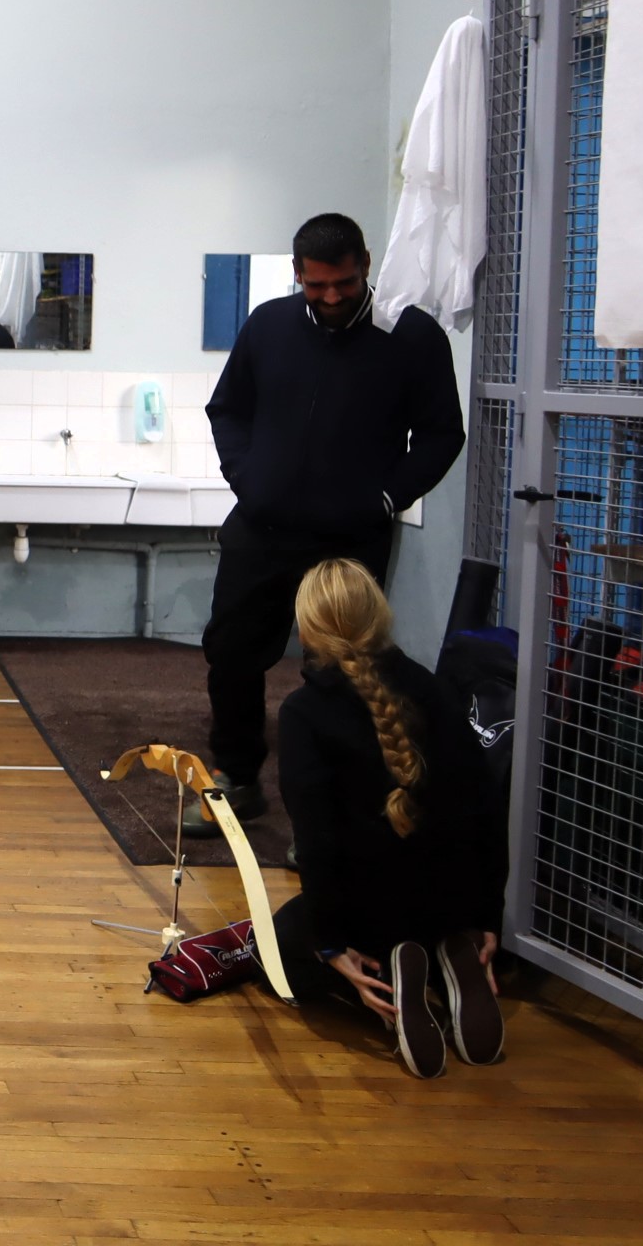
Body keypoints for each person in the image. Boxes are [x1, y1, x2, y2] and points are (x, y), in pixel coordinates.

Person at [185, 212, 464, 838]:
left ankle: (332, 816)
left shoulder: (411, 335)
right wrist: (247, 477)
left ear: (365, 264)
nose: (332, 297)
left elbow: (442, 434)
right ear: (297, 275)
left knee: (341, 672)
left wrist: (387, 498)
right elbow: (227, 409)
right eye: (317, 286)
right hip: (261, 529)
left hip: (349, 539)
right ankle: (237, 779)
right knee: (230, 654)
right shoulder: (269, 325)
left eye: (343, 283)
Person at [272, 558, 505, 1079]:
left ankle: (392, 989)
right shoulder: (434, 688)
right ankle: (450, 957)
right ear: (379, 615)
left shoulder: (303, 713)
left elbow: (317, 843)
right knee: (427, 902)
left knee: (278, 942)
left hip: (370, 912)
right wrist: (488, 916)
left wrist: (330, 943)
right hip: (452, 900)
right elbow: (486, 805)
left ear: (308, 629)